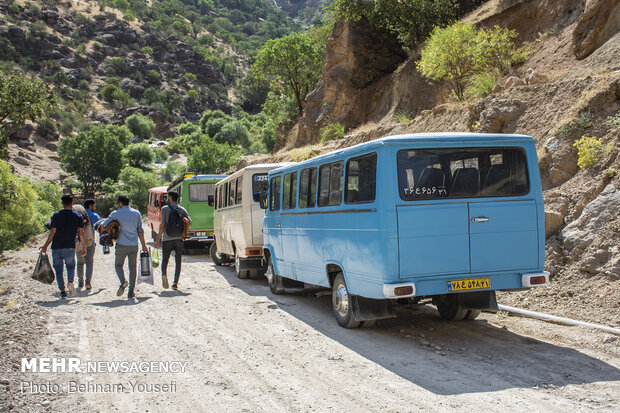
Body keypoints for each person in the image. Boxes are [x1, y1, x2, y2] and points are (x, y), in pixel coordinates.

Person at [40, 195, 86, 299]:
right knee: (70, 266)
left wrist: (45, 246)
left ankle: (62, 291)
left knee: (59, 270)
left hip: (57, 246)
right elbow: (81, 233)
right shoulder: (78, 216)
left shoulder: (56, 215)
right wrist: (84, 246)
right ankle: (70, 282)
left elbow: (52, 232)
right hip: (70, 246)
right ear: (72, 203)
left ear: (62, 204)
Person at [102, 195, 148, 299]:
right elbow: (140, 230)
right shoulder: (136, 213)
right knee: (132, 268)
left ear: (120, 203)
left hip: (121, 245)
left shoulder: (116, 213)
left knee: (118, 265)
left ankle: (123, 282)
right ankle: (131, 292)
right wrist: (144, 245)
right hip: (133, 245)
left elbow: (104, 225)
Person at [154, 190, 191, 290]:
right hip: (179, 238)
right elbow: (189, 222)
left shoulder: (165, 209)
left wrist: (158, 240)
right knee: (178, 261)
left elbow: (162, 225)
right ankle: (175, 283)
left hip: (167, 238)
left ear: (170, 198)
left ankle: (164, 275)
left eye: (167, 197)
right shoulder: (182, 209)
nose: (167, 199)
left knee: (165, 260)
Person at [77, 199, 100, 290]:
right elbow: (101, 228)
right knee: (89, 262)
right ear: (90, 206)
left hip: (78, 242)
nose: (94, 208)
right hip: (90, 242)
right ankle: (88, 282)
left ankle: (80, 281)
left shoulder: (78, 214)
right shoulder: (94, 215)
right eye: (94, 206)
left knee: (80, 262)